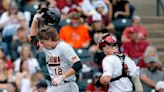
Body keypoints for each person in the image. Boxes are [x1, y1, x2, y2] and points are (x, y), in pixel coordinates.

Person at [30, 9, 82, 92]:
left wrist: (62, 77)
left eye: (43, 42)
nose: (41, 45)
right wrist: (35, 20)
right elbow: (33, 38)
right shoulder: (47, 47)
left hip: (68, 84)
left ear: (50, 39)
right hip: (56, 85)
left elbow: (78, 65)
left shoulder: (63, 47)